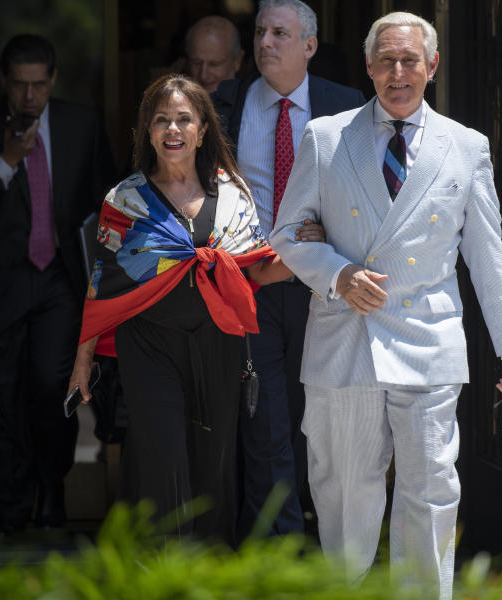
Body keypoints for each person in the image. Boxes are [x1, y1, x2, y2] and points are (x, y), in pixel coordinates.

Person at [269, 12, 502, 598]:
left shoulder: (466, 148)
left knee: (431, 489)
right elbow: (285, 235)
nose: (397, 72)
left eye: (410, 60)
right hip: (345, 337)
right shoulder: (327, 136)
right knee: (343, 490)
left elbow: (487, 258)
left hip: (426, 338)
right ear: (368, 67)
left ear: (431, 67)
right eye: (385, 60)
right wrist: (337, 275)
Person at [66, 74, 322, 544]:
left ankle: (208, 572)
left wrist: (320, 252)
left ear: (203, 130)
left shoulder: (234, 194)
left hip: (218, 345)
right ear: (147, 130)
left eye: (184, 119)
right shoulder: (124, 201)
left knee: (213, 465)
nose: (172, 129)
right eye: (161, 119)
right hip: (148, 346)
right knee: (165, 459)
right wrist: (83, 360)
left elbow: (259, 270)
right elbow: (102, 286)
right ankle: (164, 571)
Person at [211, 0, 366, 538]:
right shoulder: (223, 103)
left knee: (320, 418)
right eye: (259, 33)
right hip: (249, 284)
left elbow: (366, 196)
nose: (265, 43)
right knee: (266, 418)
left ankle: (327, 537)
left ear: (310, 46)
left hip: (322, 285)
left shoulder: (347, 107)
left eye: (279, 34)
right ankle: (277, 549)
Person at [0, 33, 116, 534]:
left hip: (61, 278)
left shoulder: (80, 124)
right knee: (3, 390)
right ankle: (9, 504)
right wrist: (8, 161)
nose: (29, 97)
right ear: (4, 82)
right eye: (19, 86)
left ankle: (52, 490)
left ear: (53, 80)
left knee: (50, 386)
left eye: (38, 85)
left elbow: (108, 198)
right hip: (2, 279)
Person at [153, 16, 244, 93]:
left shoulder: (251, 106)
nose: (203, 76)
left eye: (214, 64)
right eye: (196, 63)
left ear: (237, 61)